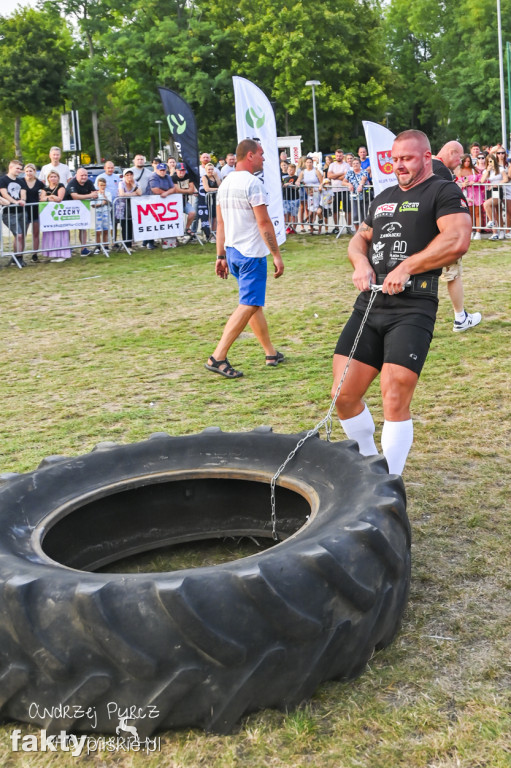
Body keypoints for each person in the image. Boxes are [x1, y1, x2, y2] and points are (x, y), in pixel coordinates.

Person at [331, 129, 472, 476]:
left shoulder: (442, 190)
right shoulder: (383, 198)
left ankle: (390, 482)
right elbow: (358, 241)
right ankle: (368, 462)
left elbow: (457, 239)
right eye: (394, 160)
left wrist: (408, 266)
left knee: (394, 395)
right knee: (342, 395)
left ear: (427, 158)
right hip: (369, 305)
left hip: (413, 305)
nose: (399, 166)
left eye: (407, 159)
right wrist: (361, 263)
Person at [205, 139, 284, 379]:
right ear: (249, 156)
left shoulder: (226, 182)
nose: (263, 158)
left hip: (233, 252)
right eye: (260, 154)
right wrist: (277, 254)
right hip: (251, 254)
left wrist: (220, 255)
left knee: (253, 303)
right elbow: (263, 222)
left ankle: (270, 353)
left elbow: (220, 224)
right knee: (248, 304)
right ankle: (217, 357)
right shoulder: (253, 184)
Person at [433, 141, 482, 332]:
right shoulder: (442, 171)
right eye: (458, 158)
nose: (459, 164)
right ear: (451, 152)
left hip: (421, 233)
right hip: (442, 232)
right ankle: (460, 318)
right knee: (453, 274)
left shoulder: (424, 166)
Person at [64, 167, 99, 255]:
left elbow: (95, 194)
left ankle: (84, 249)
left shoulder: (89, 182)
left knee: (83, 227)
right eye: (82, 175)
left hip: (81, 209)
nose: (84, 177)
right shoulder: (72, 183)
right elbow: (74, 196)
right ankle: (67, 247)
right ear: (76, 175)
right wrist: (89, 195)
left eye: (85, 175)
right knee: (66, 228)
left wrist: (92, 195)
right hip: (68, 209)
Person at [40, 170, 71, 262]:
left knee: (60, 233)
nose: (53, 178)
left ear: (58, 178)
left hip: (59, 213)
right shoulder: (45, 188)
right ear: (48, 178)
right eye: (51, 177)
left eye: (55, 176)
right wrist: (52, 197)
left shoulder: (61, 186)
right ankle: (53, 253)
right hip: (49, 215)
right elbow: (42, 199)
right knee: (51, 233)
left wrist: (49, 197)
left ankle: (62, 254)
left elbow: (59, 199)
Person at [0, 159, 26, 264]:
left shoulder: (21, 181)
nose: (19, 171)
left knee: (20, 235)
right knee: (18, 234)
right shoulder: (3, 180)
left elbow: (23, 193)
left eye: (20, 169)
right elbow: (4, 194)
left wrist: (22, 200)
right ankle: (18, 257)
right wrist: (15, 202)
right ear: (11, 167)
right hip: (8, 213)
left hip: (21, 211)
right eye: (17, 168)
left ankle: (17, 257)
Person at [146, 162, 177, 249]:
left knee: (163, 221)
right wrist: (166, 193)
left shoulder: (167, 177)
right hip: (151, 202)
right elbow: (154, 189)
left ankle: (166, 241)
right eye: (161, 170)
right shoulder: (153, 176)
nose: (162, 172)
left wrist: (166, 193)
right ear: (157, 170)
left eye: (164, 170)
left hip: (163, 203)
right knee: (152, 222)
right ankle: (149, 243)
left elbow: (173, 188)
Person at [21, 163, 45, 262]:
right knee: (22, 234)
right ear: (24, 172)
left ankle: (35, 255)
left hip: (36, 210)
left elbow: (45, 193)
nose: (29, 173)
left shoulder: (39, 183)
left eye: (31, 171)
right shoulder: (21, 182)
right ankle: (20, 255)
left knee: (35, 233)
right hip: (24, 211)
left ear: (34, 171)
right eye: (27, 171)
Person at [114, 169, 142, 248]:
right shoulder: (121, 183)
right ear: (124, 176)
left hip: (132, 207)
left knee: (131, 225)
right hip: (122, 208)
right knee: (124, 226)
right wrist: (133, 194)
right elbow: (122, 194)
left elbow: (140, 193)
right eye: (127, 175)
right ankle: (126, 244)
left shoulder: (136, 183)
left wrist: (133, 186)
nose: (129, 176)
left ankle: (130, 244)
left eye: (130, 175)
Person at [481, 153, 506, 240]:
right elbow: (482, 180)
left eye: (492, 160)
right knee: (492, 210)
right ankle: (495, 233)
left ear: (495, 160)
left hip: (497, 190)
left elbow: (505, 179)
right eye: (488, 161)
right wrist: (488, 170)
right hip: (489, 191)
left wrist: (498, 184)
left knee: (492, 207)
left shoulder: (500, 168)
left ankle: (501, 230)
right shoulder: (486, 171)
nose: (490, 162)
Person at [296, 157, 323, 233]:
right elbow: (298, 180)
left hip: (316, 192)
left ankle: (319, 225)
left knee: (316, 210)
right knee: (311, 210)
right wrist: (298, 183)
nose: (309, 164)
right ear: (305, 163)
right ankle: (311, 228)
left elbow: (321, 181)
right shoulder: (303, 172)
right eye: (307, 162)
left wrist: (320, 187)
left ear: (312, 163)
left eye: (310, 162)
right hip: (309, 193)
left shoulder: (316, 171)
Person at [327, 149, 351, 232]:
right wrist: (340, 174)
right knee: (335, 209)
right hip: (334, 191)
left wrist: (334, 176)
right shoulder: (332, 165)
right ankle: (336, 227)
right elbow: (329, 176)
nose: (338, 157)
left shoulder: (346, 165)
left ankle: (348, 227)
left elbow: (345, 176)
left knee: (347, 209)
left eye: (340, 155)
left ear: (343, 156)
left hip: (345, 190)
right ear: (335, 156)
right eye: (337, 155)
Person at [342, 157, 368, 232]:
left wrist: (361, 185)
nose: (355, 165)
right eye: (354, 163)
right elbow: (343, 182)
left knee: (364, 214)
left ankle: (364, 231)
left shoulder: (364, 171)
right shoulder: (349, 173)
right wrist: (348, 184)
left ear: (360, 164)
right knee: (355, 215)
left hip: (363, 196)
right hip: (354, 197)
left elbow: (364, 179)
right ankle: (357, 231)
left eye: (357, 163)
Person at [171, 162, 197, 236]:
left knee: (192, 213)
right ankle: (177, 234)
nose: (182, 172)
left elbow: (192, 189)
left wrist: (185, 191)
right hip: (175, 202)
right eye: (180, 170)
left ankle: (187, 228)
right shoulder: (173, 177)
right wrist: (187, 191)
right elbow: (176, 190)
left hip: (185, 201)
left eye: (183, 170)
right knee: (177, 218)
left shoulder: (188, 177)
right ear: (176, 170)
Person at [91, 177, 112, 253]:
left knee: (106, 230)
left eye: (104, 185)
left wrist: (105, 198)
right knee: (98, 231)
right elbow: (93, 205)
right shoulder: (95, 194)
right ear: (98, 185)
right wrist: (100, 204)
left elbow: (110, 202)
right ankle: (98, 246)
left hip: (106, 213)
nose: (102, 187)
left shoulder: (108, 193)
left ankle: (106, 246)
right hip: (98, 214)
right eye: (101, 185)